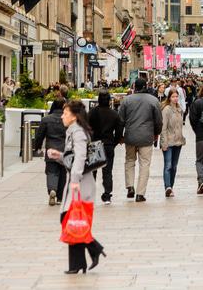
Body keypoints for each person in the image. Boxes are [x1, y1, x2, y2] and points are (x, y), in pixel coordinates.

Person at [46, 100, 106, 274]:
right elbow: (72, 157)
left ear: (73, 116)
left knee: (69, 219)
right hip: (77, 182)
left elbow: (80, 158)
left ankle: (91, 251)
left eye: (65, 113)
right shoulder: (73, 131)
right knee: (71, 220)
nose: (62, 116)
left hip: (80, 184)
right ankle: (79, 262)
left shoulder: (78, 132)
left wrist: (74, 179)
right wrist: (59, 156)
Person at [117, 78, 163, 203]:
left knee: (130, 161)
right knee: (145, 164)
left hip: (130, 136)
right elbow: (159, 121)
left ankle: (130, 186)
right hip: (146, 136)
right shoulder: (153, 101)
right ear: (146, 86)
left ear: (134, 87)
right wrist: (156, 133)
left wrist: (120, 135)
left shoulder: (126, 100)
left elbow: (120, 120)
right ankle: (140, 193)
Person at [88, 90, 123, 204]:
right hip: (108, 145)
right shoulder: (114, 114)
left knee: (92, 170)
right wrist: (114, 143)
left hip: (95, 144)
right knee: (107, 171)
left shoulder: (92, 113)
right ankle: (107, 194)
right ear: (109, 100)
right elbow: (119, 131)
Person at [34, 99, 68, 206]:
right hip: (64, 150)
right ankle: (60, 198)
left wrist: (37, 147)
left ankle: (52, 189)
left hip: (51, 150)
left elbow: (39, 135)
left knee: (51, 171)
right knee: (63, 173)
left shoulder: (46, 119)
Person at [158, 88, 185, 197]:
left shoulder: (179, 109)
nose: (175, 99)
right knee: (168, 165)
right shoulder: (166, 110)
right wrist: (163, 142)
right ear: (169, 97)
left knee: (174, 166)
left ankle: (171, 187)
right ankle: (167, 187)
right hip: (168, 142)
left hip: (178, 141)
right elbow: (163, 127)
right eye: (173, 96)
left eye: (176, 96)